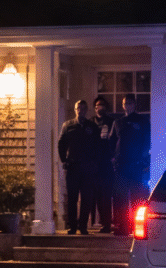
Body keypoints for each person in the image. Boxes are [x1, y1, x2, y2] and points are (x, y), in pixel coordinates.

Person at [58, 99, 102, 234]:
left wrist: (94, 163)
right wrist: (64, 160)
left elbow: (98, 146)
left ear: (86, 110)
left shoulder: (92, 127)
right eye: (78, 108)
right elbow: (61, 144)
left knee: (86, 198)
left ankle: (82, 226)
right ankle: (72, 226)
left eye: (83, 108)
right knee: (72, 197)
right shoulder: (68, 125)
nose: (81, 111)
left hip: (88, 167)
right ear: (75, 110)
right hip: (73, 166)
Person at [110, 94, 151, 235]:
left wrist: (144, 160)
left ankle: (136, 226)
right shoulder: (118, 122)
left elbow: (148, 141)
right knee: (120, 198)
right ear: (123, 105)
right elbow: (112, 141)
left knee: (137, 198)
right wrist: (113, 159)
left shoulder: (142, 121)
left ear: (134, 105)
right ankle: (122, 226)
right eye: (125, 103)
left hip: (136, 165)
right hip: (121, 165)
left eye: (130, 103)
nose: (128, 106)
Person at [91, 97, 116, 233]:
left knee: (106, 194)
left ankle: (107, 223)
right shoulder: (90, 122)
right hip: (94, 164)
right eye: (97, 105)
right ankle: (102, 220)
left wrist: (113, 157)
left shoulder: (112, 122)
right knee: (97, 195)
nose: (99, 107)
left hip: (107, 163)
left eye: (101, 105)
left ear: (105, 107)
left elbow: (115, 141)